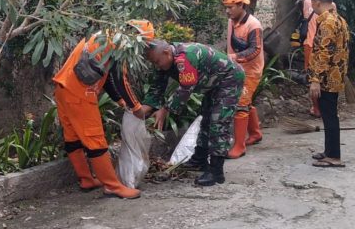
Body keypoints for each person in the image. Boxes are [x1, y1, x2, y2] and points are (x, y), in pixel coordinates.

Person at [52, 20, 154, 199]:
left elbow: (105, 76)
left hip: (64, 88)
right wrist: (136, 107)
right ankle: (113, 186)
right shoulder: (118, 43)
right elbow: (120, 80)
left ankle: (86, 179)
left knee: (73, 138)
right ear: (135, 36)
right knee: (95, 141)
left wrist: (121, 101)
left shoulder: (103, 37)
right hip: (80, 95)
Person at [144, 40, 244, 186]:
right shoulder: (164, 60)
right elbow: (157, 87)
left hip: (229, 79)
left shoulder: (185, 57)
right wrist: (144, 109)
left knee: (218, 122)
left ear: (167, 53)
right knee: (206, 119)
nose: (157, 65)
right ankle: (200, 160)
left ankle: (216, 172)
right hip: (213, 83)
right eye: (154, 62)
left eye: (158, 61)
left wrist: (165, 110)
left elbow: (186, 88)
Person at [307, 0, 350, 168]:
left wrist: (316, 79)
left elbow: (325, 52)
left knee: (330, 116)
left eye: (312, 5)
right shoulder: (339, 20)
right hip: (336, 75)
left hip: (327, 78)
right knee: (328, 115)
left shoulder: (327, 23)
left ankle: (334, 156)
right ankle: (329, 151)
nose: (312, 9)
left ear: (317, 2)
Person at [221, 0, 264, 159]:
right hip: (236, 68)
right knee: (246, 101)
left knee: (240, 104)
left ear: (241, 5)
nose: (227, 11)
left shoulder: (254, 25)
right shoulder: (231, 21)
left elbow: (255, 50)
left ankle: (240, 146)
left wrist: (233, 57)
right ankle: (255, 133)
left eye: (231, 7)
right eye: (226, 7)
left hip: (251, 71)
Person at [303, 0, 338, 117]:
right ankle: (325, 108)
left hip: (311, 45)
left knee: (312, 78)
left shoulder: (307, 2)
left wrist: (316, 79)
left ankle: (317, 108)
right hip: (319, 46)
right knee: (325, 79)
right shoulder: (334, 10)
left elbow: (324, 52)